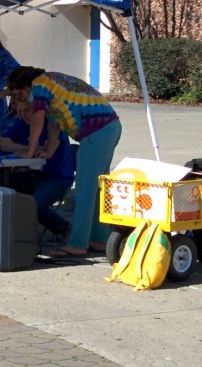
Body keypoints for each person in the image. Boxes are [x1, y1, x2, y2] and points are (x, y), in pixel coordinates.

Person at [7, 66, 122, 258]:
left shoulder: (40, 85)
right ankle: (99, 238)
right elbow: (54, 122)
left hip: (96, 132)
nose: (20, 100)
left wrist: (29, 150)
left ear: (26, 85)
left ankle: (78, 243)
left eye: (19, 95)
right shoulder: (51, 85)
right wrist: (49, 150)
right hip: (108, 127)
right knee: (98, 189)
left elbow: (38, 119)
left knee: (85, 191)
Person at [0, 99, 75, 239]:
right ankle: (0, 228)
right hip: (34, 175)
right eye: (19, 111)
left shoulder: (51, 124)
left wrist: (14, 146)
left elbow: (47, 148)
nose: (22, 115)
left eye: (27, 111)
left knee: (35, 205)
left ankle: (62, 227)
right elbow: (5, 139)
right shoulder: (21, 124)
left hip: (57, 178)